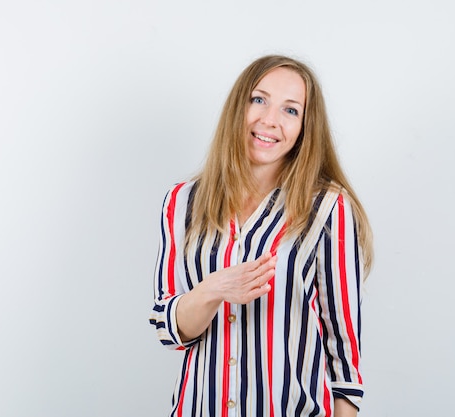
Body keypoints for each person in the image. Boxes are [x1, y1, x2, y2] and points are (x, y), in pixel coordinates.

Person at [149, 54, 373, 417]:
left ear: (304, 127)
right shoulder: (181, 202)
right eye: (259, 99)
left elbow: (343, 346)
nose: (270, 120)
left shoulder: (328, 207)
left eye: (290, 110)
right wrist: (213, 289)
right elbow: (169, 329)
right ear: (238, 106)